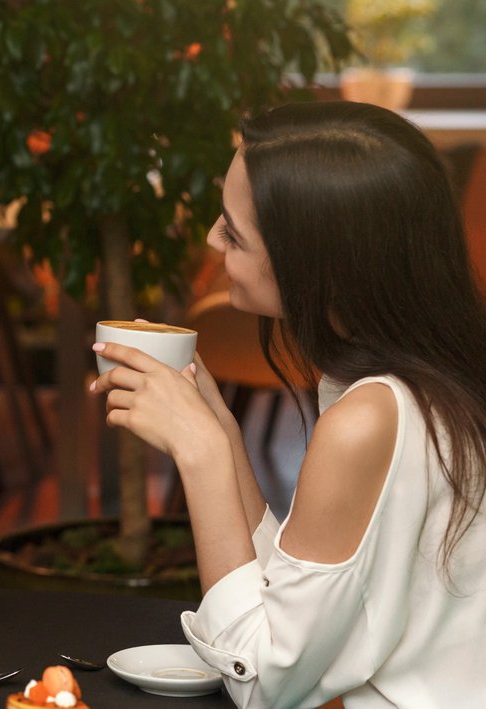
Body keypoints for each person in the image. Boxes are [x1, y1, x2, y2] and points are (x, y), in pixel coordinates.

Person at [92, 101, 486, 707]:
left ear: (313, 266)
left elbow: (266, 683)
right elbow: (293, 595)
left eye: (232, 231)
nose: (210, 238)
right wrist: (218, 426)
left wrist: (197, 456)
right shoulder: (423, 381)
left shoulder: (369, 417)